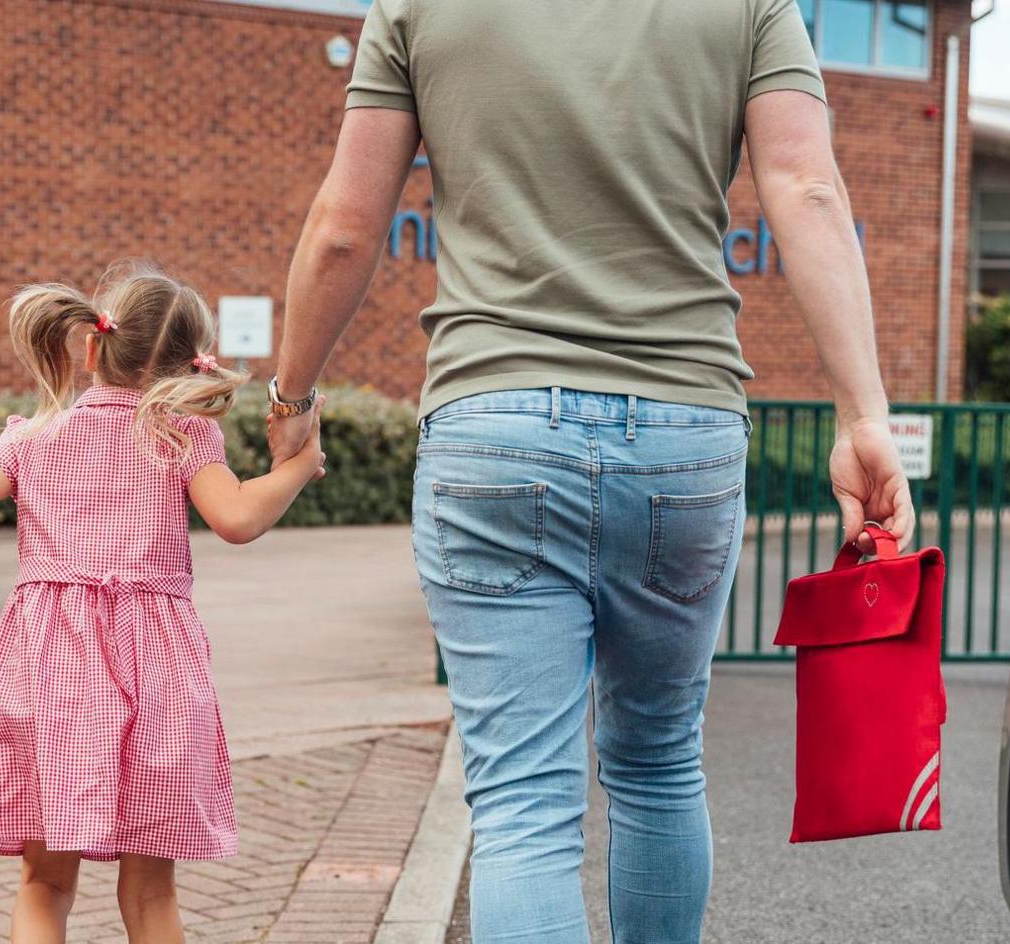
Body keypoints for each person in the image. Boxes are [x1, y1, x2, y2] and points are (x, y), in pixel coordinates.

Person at [267, 0, 916, 940]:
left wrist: (290, 401)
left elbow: (343, 226)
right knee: (658, 760)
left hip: (493, 425)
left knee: (524, 803)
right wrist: (862, 415)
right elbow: (807, 188)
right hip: (683, 430)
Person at [0, 263, 326, 944]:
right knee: (151, 895)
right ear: (189, 366)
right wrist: (296, 467)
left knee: (44, 883)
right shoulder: (183, 436)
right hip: (155, 671)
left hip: (49, 672)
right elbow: (236, 519)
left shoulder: (33, 439)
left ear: (91, 346)